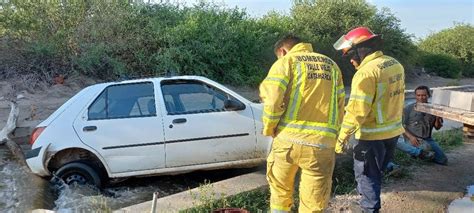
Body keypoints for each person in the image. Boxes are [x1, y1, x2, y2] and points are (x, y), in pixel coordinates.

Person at [260, 34, 345, 212]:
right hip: (321, 145)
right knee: (314, 201)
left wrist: (269, 128)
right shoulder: (331, 66)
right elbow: (339, 104)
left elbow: (273, 101)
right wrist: (335, 137)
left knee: (280, 193)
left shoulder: (285, 62)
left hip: (288, 142)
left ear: (282, 50)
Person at [333, 27, 405, 212]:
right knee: (376, 174)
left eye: (351, 54)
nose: (350, 60)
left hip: (371, 137)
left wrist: (341, 139)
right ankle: (369, 203)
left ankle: (369, 209)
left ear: (361, 49)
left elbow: (357, 111)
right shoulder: (394, 64)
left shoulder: (365, 73)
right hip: (393, 133)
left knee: (367, 177)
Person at [399, 85, 447, 164]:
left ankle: (424, 155)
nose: (421, 98)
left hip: (428, 139)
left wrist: (438, 118)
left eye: (424, 95)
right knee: (425, 149)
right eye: (418, 95)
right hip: (413, 140)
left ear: (428, 95)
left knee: (443, 160)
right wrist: (411, 137)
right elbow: (399, 125)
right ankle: (417, 154)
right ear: (415, 96)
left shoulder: (433, 109)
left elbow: (437, 127)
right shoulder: (408, 109)